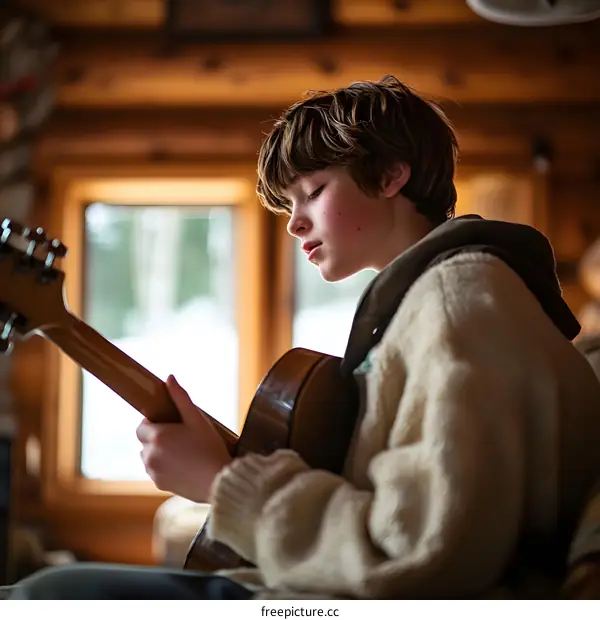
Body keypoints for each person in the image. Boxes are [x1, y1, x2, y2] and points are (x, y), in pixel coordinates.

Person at [10, 75, 600, 599]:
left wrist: (222, 484)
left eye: (313, 191)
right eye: (288, 203)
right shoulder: (438, 301)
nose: (294, 222)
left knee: (47, 595)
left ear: (393, 174)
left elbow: (422, 560)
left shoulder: (456, 304)